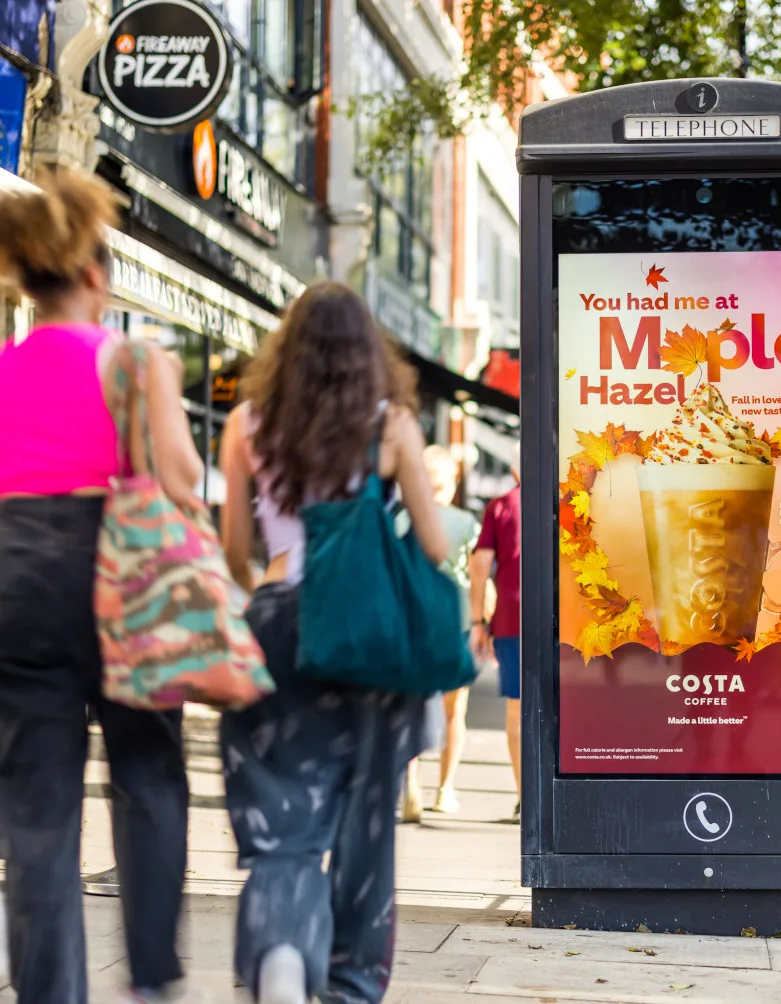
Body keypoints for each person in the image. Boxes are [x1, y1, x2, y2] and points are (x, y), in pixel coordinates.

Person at [0, 169, 200, 1003]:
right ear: (96, 277)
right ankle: (151, 979)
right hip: (119, 578)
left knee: (36, 823)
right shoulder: (134, 361)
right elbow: (181, 479)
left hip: (12, 583)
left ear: (28, 278)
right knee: (148, 775)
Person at [217, 280, 446, 1004]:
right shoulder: (393, 427)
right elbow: (436, 545)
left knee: (281, 810)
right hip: (365, 631)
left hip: (277, 616)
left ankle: (282, 949)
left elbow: (235, 549)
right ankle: (349, 984)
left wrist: (265, 592)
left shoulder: (247, 423)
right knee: (367, 818)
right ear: (366, 350)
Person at [402, 445, 481, 820]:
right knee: (454, 710)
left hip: (413, 621)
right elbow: (477, 571)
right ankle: (445, 790)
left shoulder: (403, 519)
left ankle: (409, 785)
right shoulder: (465, 523)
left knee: (410, 706)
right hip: (455, 621)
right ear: (451, 481)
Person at [469, 464, 520, 822]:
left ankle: (524, 796)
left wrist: (478, 620)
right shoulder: (571, 498)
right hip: (566, 619)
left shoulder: (500, 506)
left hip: (513, 616)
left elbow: (480, 565)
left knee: (518, 708)